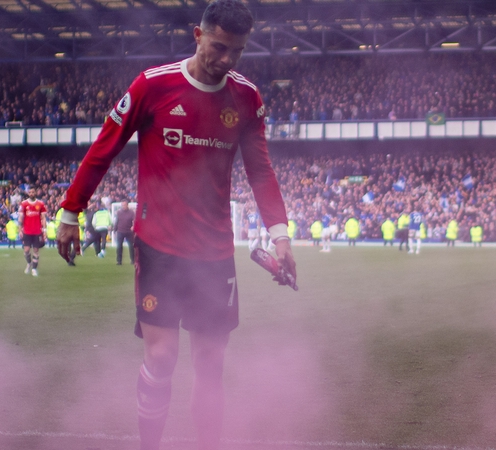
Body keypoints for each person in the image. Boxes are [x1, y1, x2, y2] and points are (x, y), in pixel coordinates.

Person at [56, 3, 296, 449]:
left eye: (237, 52)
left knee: (210, 366)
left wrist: (281, 236)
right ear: (198, 35)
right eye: (219, 47)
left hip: (214, 253)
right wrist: (71, 213)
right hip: (159, 249)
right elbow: (104, 148)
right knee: (163, 358)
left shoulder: (246, 98)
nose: (226, 60)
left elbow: (260, 171)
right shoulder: (152, 85)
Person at [20, 188, 47, 276]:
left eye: (33, 192)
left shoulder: (41, 204)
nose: (31, 193)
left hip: (37, 232)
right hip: (27, 231)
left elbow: (43, 218)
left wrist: (45, 230)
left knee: (36, 250)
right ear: (28, 193)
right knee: (26, 250)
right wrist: (20, 230)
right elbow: (21, 218)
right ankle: (29, 263)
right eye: (30, 192)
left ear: (36, 192)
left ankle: (34, 269)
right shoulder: (24, 204)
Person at [115, 199, 136, 265]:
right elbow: (117, 221)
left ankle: (133, 260)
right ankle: (119, 261)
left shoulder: (131, 212)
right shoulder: (119, 212)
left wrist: (133, 226)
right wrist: (115, 229)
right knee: (119, 246)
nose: (123, 206)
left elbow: (134, 220)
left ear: (127, 205)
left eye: (124, 205)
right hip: (120, 231)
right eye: (122, 205)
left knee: (131, 246)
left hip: (129, 231)